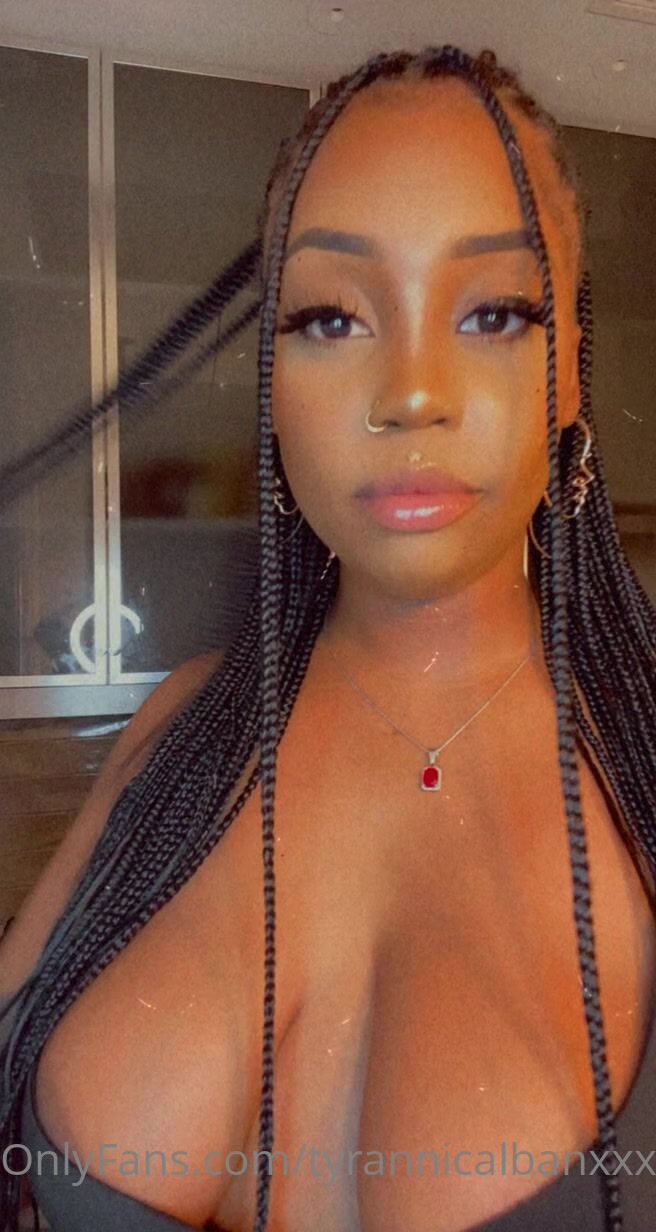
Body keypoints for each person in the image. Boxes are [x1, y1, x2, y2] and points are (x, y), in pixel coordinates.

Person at [1, 41, 655, 1232]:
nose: (411, 392)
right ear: (271, 379)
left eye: (493, 311)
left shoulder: (640, 759)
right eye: (330, 316)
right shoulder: (181, 726)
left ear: (570, 372)